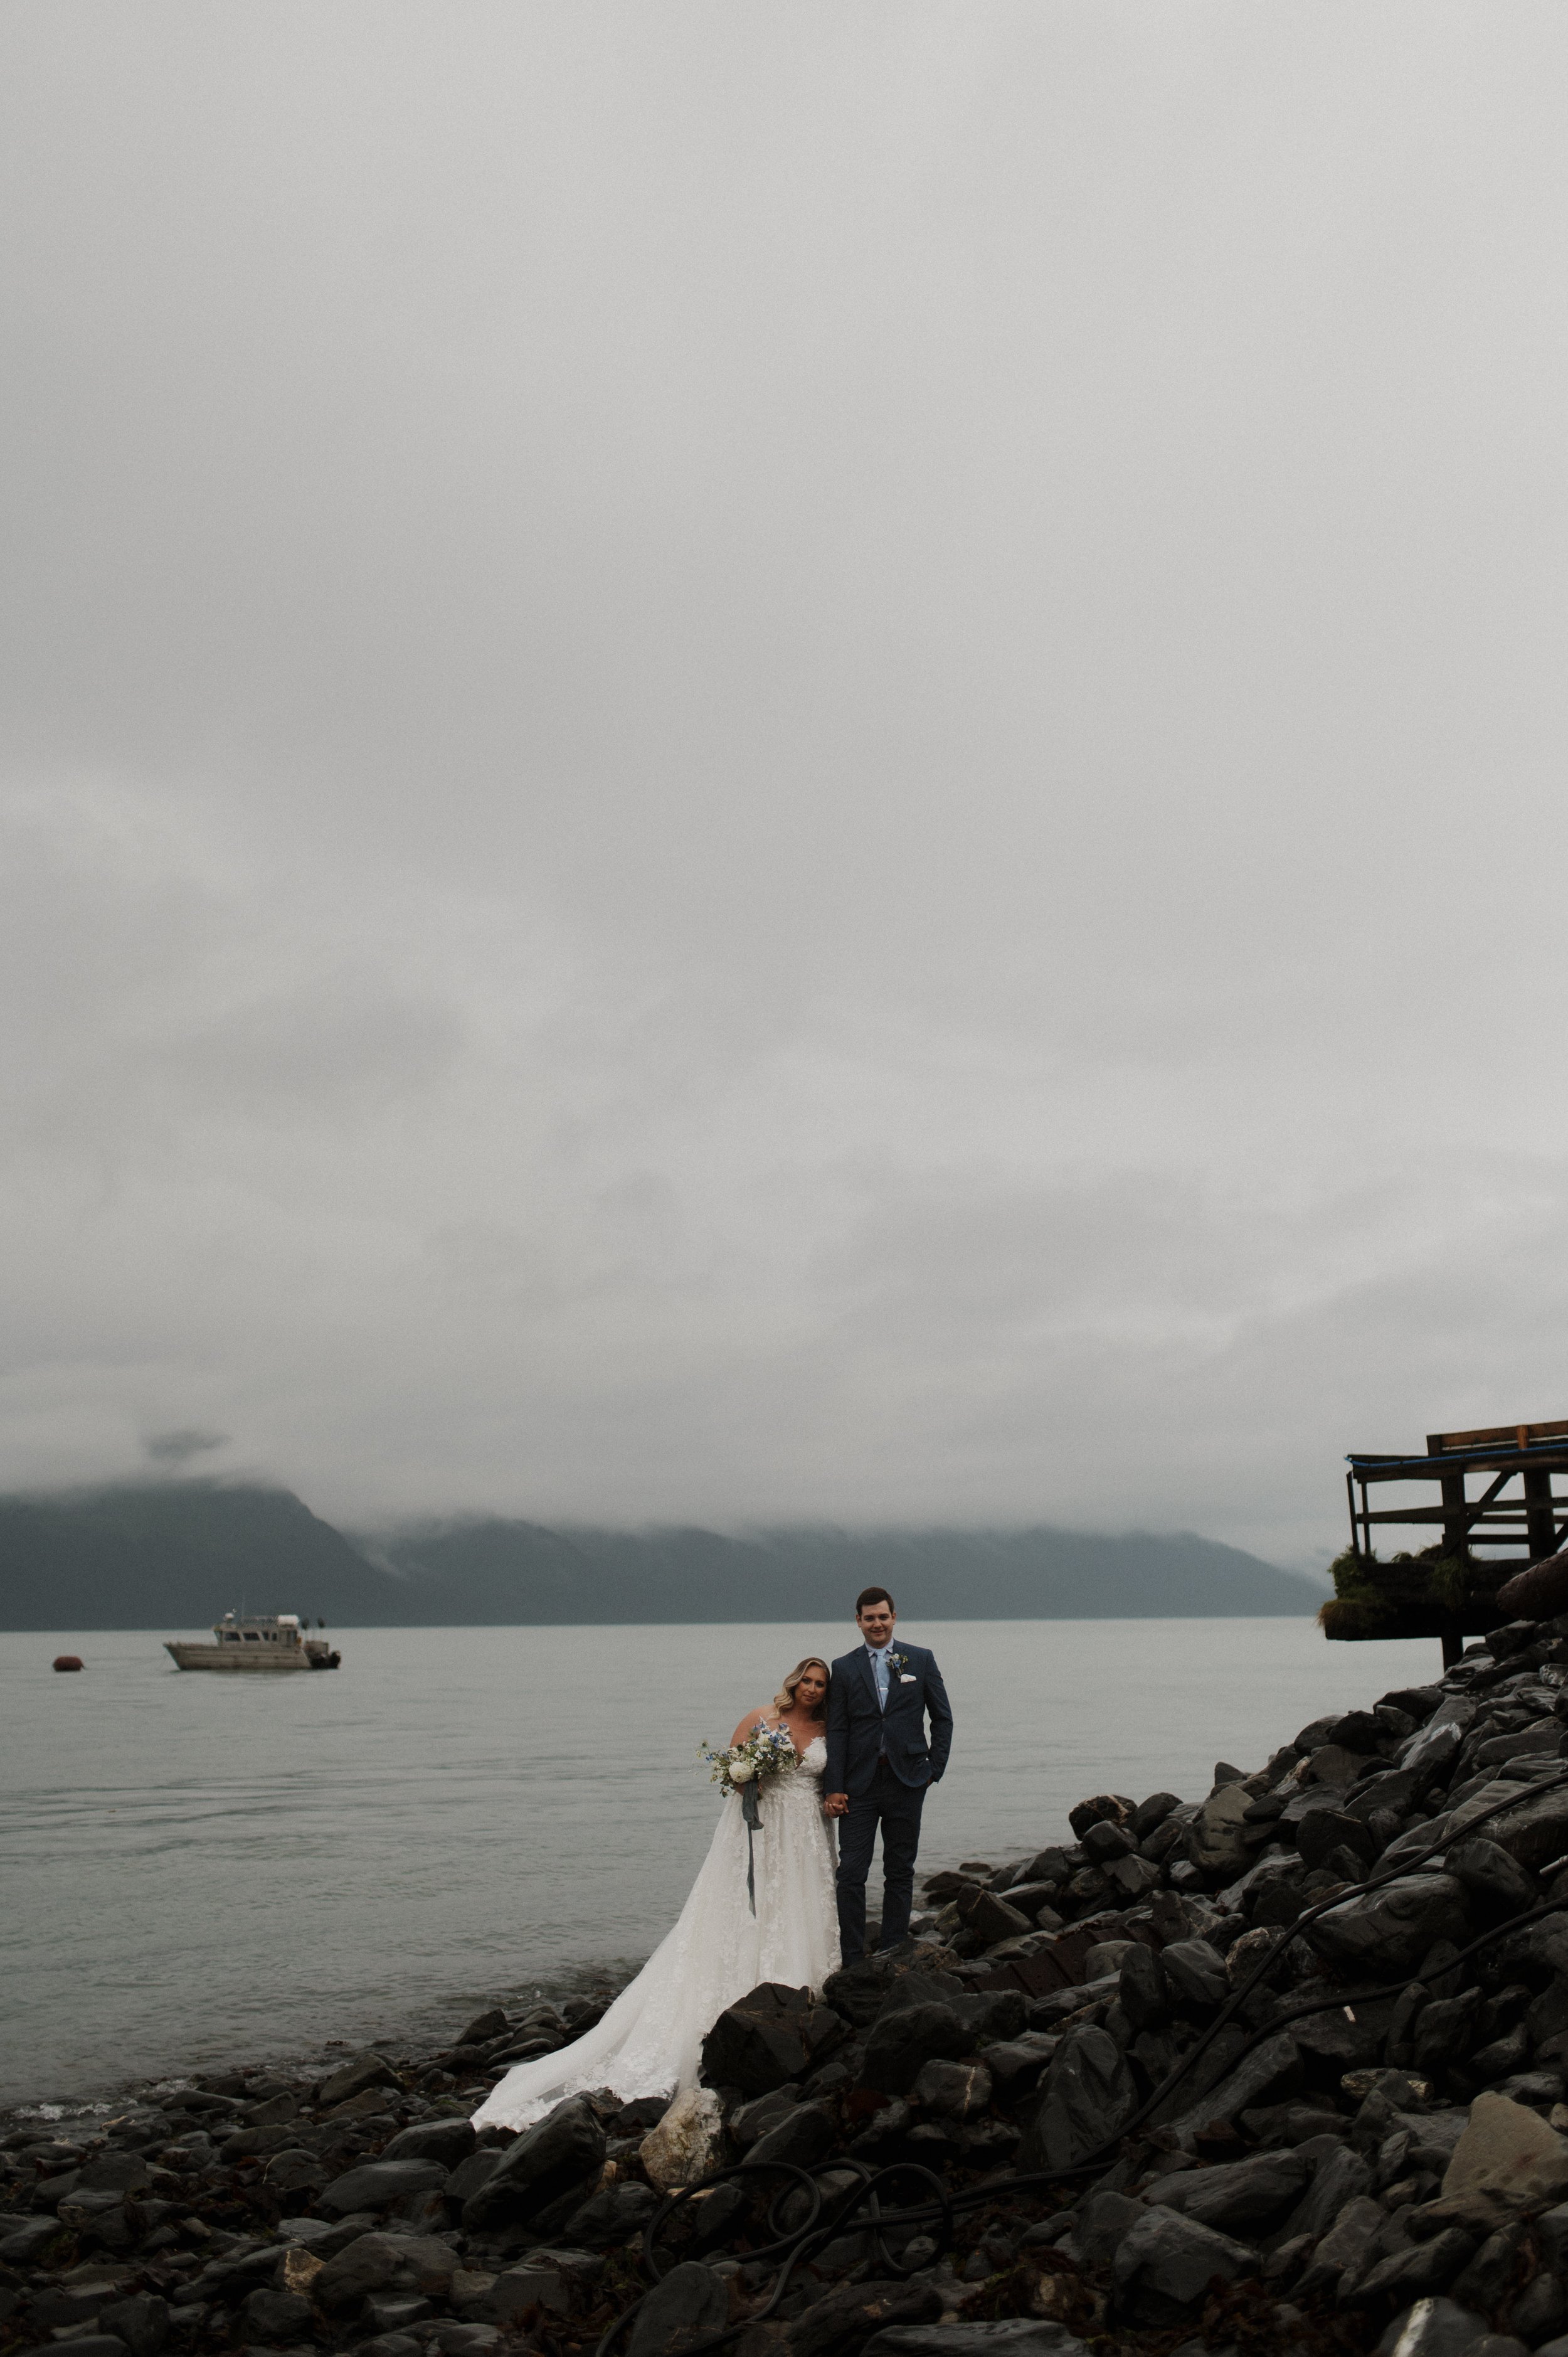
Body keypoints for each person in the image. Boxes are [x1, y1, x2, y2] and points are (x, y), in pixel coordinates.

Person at [473, 1657, 840, 2132]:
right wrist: (750, 1771)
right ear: (794, 1681)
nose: (811, 1688)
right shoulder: (762, 1718)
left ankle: (802, 1987)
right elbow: (732, 1771)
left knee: (798, 1905)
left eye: (820, 1683)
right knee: (751, 1909)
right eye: (806, 1680)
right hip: (765, 1830)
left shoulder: (830, 1728)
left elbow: (833, 1779)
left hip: (805, 1833)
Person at [823, 1588, 953, 1963]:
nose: (877, 1624)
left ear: (894, 1617)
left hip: (908, 1780)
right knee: (851, 1874)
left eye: (883, 1616)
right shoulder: (844, 1667)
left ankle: (894, 1950)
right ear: (858, 1621)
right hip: (858, 1785)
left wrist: (935, 1770)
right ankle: (852, 1957)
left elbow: (942, 1718)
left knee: (899, 1870)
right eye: (869, 1618)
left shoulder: (921, 1659)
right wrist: (834, 1786)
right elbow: (838, 1729)